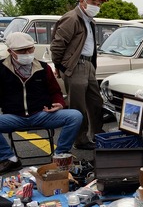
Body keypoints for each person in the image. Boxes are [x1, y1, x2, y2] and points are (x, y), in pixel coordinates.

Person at [0, 32, 83, 173]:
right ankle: (9, 158)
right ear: (10, 52)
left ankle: (60, 155)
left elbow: (55, 92)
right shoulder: (1, 69)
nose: (27, 53)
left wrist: (58, 103)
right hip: (14, 117)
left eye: (30, 49)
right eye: (21, 51)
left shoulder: (44, 68)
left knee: (75, 116)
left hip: (42, 114)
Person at [50, 0, 107, 150]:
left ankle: (98, 134)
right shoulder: (72, 18)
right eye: (93, 2)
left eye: (98, 3)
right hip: (76, 66)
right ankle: (81, 139)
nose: (96, 5)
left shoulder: (88, 20)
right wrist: (60, 66)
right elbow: (58, 44)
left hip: (87, 64)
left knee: (96, 102)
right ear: (82, 1)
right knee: (78, 106)